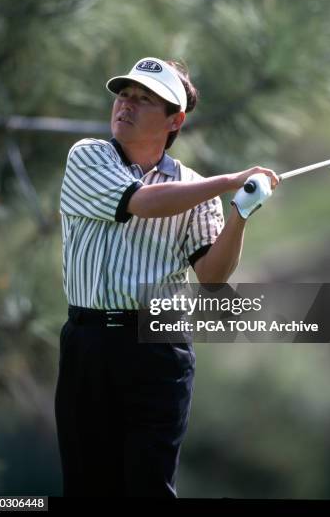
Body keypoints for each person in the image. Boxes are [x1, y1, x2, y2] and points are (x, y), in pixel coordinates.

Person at [54, 56, 279, 498]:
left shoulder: (195, 187)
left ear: (175, 120)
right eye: (124, 95)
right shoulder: (87, 156)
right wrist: (230, 180)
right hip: (89, 342)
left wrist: (240, 213)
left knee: (150, 490)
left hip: (158, 348)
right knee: (87, 488)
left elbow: (212, 276)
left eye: (143, 100)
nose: (126, 105)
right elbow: (144, 202)